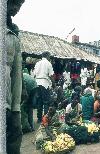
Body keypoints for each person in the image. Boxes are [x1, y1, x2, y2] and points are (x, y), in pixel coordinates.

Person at [6, 0, 25, 153]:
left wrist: (16, 109)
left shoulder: (13, 35)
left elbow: (17, 75)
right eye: (13, 3)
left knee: (14, 137)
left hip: (8, 103)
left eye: (19, 6)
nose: (16, 9)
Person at [33, 51, 55, 123]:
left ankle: (39, 118)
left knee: (39, 101)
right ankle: (45, 119)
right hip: (44, 83)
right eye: (49, 56)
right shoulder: (48, 63)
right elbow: (51, 75)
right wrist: (54, 84)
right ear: (47, 56)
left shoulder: (37, 63)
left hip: (37, 83)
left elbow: (34, 74)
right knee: (46, 102)